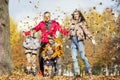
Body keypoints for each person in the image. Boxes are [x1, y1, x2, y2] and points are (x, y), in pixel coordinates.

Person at [24, 11, 68, 76]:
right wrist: (26, 33)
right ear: (44, 17)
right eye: (46, 16)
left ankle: (54, 72)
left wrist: (68, 33)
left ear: (50, 16)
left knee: (54, 56)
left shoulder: (55, 23)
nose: (47, 18)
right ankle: (42, 72)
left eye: (48, 16)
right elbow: (35, 29)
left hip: (52, 42)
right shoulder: (41, 23)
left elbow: (61, 29)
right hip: (44, 42)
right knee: (41, 57)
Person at [68, 10, 96, 78]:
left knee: (83, 56)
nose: (75, 15)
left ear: (79, 15)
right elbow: (69, 31)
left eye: (77, 14)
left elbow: (86, 31)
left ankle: (89, 70)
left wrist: (91, 38)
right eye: (74, 14)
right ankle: (76, 73)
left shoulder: (82, 22)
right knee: (74, 58)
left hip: (79, 40)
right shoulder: (71, 22)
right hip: (73, 41)